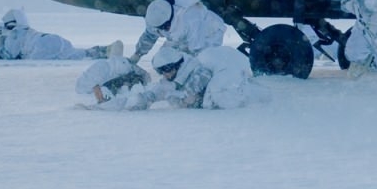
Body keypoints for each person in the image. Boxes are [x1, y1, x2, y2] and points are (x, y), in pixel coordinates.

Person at [107, 45, 271, 110]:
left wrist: (178, 100)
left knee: (218, 97)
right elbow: (162, 89)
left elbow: (189, 99)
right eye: (161, 72)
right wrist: (143, 100)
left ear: (175, 66)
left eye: (166, 70)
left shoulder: (198, 71)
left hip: (233, 82)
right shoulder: (181, 73)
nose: (164, 75)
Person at [0, 8, 119, 60]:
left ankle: (100, 52)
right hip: (51, 38)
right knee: (75, 53)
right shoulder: (25, 31)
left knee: (69, 56)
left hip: (40, 46)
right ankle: (103, 51)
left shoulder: (14, 35)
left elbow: (9, 55)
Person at [130, 0, 228, 64]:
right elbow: (149, 36)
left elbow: (199, 51)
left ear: (171, 17)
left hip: (209, 33)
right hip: (181, 37)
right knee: (162, 59)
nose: (164, 31)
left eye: (165, 27)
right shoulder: (155, 16)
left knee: (195, 62)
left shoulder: (191, 19)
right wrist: (137, 54)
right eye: (161, 29)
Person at [76, 41, 151, 104]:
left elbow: (93, 85)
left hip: (110, 84)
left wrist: (101, 100)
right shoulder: (126, 63)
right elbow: (146, 77)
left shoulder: (103, 66)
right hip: (125, 81)